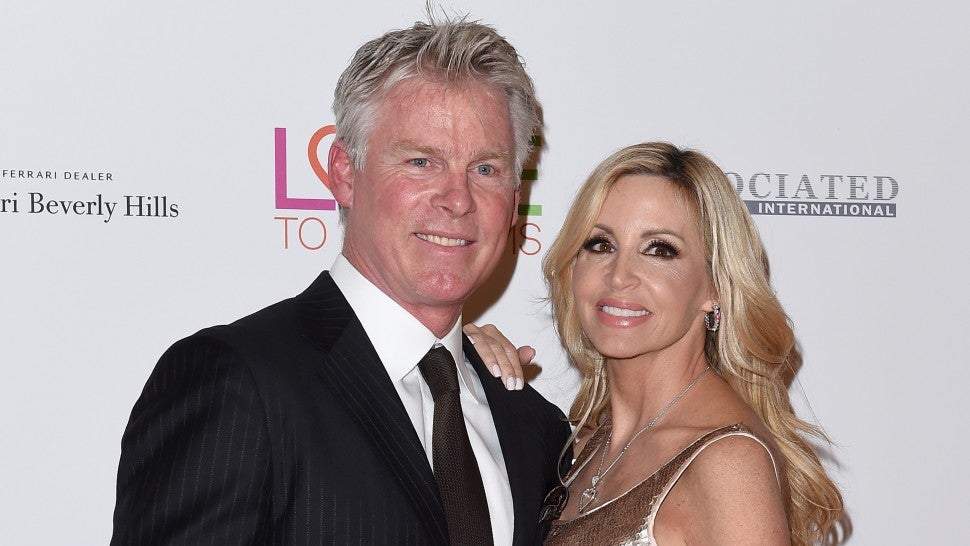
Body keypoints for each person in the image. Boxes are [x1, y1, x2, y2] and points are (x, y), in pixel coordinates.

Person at [111, 15, 570, 546]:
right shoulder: (236, 383)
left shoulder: (535, 427)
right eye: (422, 162)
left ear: (515, 201)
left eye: (485, 169)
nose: (458, 199)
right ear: (345, 173)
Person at [466, 142, 844, 545]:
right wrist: (456, 364)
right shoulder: (586, 444)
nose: (619, 276)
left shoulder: (728, 463)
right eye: (600, 244)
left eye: (660, 250)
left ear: (715, 287)